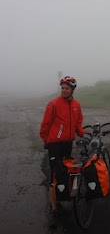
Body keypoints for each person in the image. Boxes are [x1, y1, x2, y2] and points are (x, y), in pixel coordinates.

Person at [40, 75, 88, 218]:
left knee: (67, 170)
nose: (64, 90)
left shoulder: (76, 105)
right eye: (62, 88)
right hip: (55, 144)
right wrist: (47, 140)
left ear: (72, 89)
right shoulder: (53, 104)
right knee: (55, 174)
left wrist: (83, 134)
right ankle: (54, 207)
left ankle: (64, 195)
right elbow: (45, 125)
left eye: (67, 88)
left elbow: (78, 124)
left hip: (68, 143)